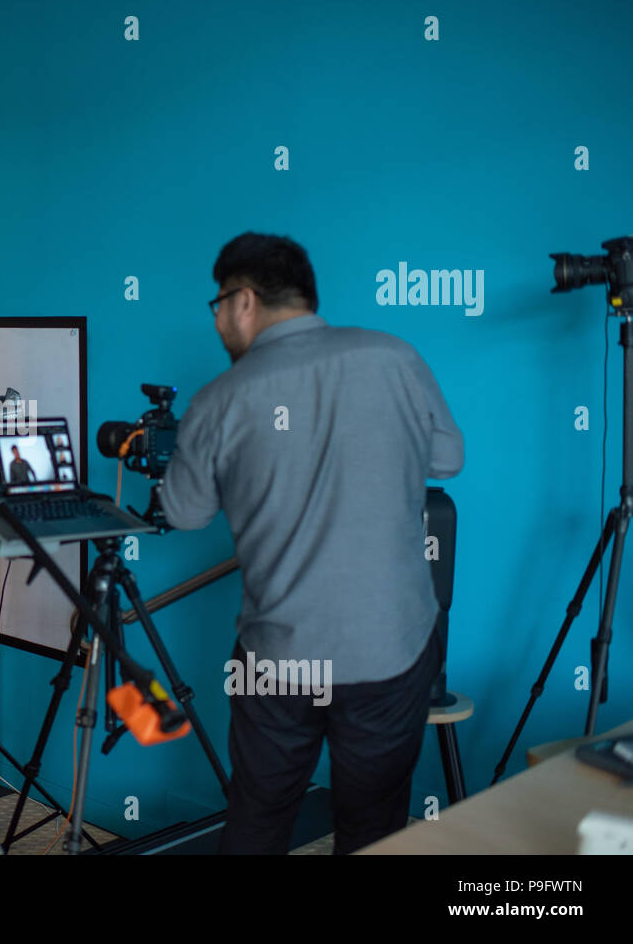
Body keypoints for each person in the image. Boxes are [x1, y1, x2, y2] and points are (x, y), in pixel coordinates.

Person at [158, 232, 463, 854]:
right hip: (392, 649)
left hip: (279, 654)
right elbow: (448, 459)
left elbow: (184, 514)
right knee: (374, 825)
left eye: (217, 304)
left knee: (260, 814)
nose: (217, 319)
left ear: (244, 301)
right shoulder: (392, 356)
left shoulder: (219, 400)